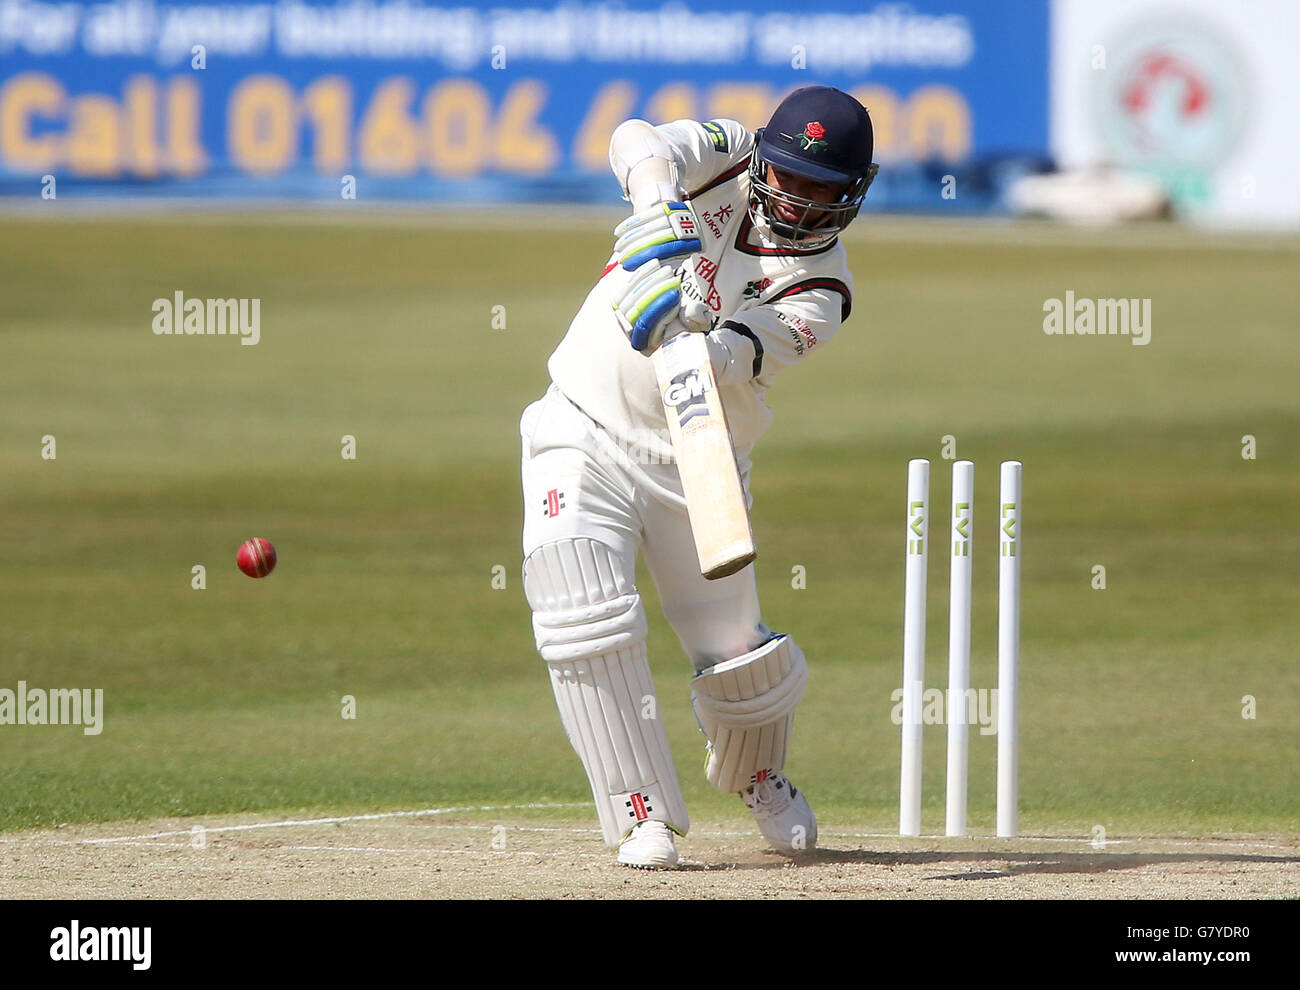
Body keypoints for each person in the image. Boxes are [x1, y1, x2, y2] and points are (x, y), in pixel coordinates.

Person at [519, 86, 877, 869]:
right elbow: (635, 137)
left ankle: (760, 775)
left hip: (698, 456)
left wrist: (684, 326)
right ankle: (640, 810)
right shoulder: (728, 152)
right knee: (581, 610)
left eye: (824, 191)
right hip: (583, 422)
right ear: (765, 161)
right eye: (791, 179)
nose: (803, 202)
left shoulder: (824, 288)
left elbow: (735, 358)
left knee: (737, 656)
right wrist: (659, 210)